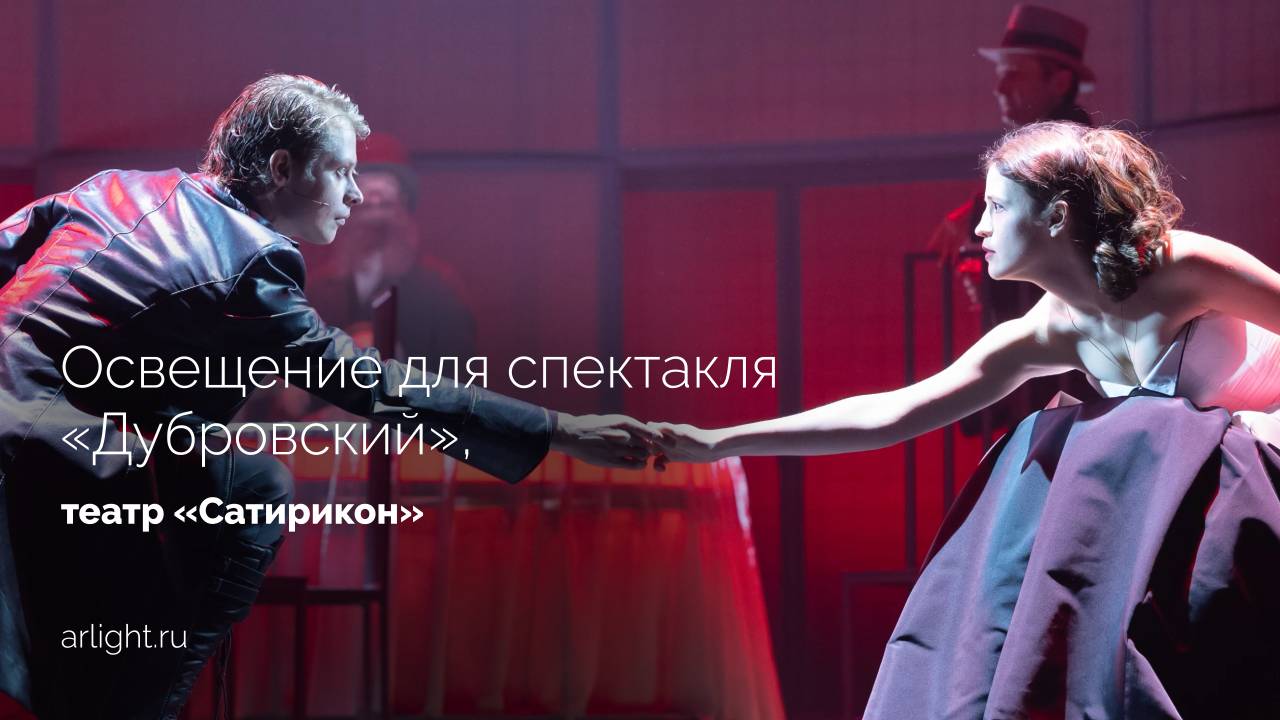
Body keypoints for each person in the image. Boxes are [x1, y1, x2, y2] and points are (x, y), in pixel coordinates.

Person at [0, 74, 654, 719]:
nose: (354, 195)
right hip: (44, 455)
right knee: (255, 488)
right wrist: (560, 429)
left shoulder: (117, 186)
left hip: (46, 442)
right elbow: (372, 384)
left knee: (202, 475)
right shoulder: (255, 258)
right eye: (341, 171)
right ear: (282, 169)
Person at [651, 122, 1280, 717]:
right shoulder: (1046, 330)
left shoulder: (1180, 265)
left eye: (997, 207)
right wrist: (716, 441)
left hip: (1249, 481)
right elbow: (893, 413)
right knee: (1057, 452)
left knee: (1106, 436)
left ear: (1057, 216)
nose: (979, 227)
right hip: (1172, 505)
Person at [931, 4, 1100, 435]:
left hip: (1065, 380)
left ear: (1058, 81)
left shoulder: (1075, 151)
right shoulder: (1050, 150)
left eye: (1014, 73)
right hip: (1045, 375)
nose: (999, 87)